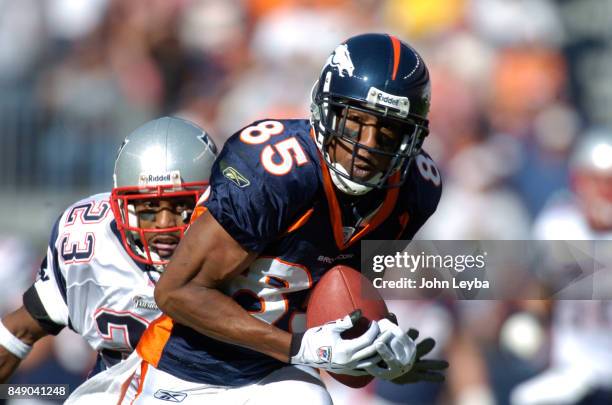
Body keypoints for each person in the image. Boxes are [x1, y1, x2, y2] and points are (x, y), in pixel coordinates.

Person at [67, 33, 447, 405]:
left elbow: (345, 291)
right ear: (326, 110)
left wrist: (381, 344)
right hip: (181, 367)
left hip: (273, 374)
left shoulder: (415, 191)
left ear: (411, 139)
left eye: (388, 131)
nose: (367, 145)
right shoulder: (276, 172)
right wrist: (302, 347)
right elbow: (176, 292)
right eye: (354, 122)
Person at [0, 117, 217, 383]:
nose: (163, 224)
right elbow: (19, 330)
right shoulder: (90, 244)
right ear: (122, 206)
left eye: (180, 206)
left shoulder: (247, 247)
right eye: (148, 207)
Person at [510, 131, 612, 405]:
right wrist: (532, 318)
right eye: (597, 181)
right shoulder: (558, 227)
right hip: (573, 371)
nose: (605, 191)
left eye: (610, 182)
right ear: (578, 182)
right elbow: (540, 289)